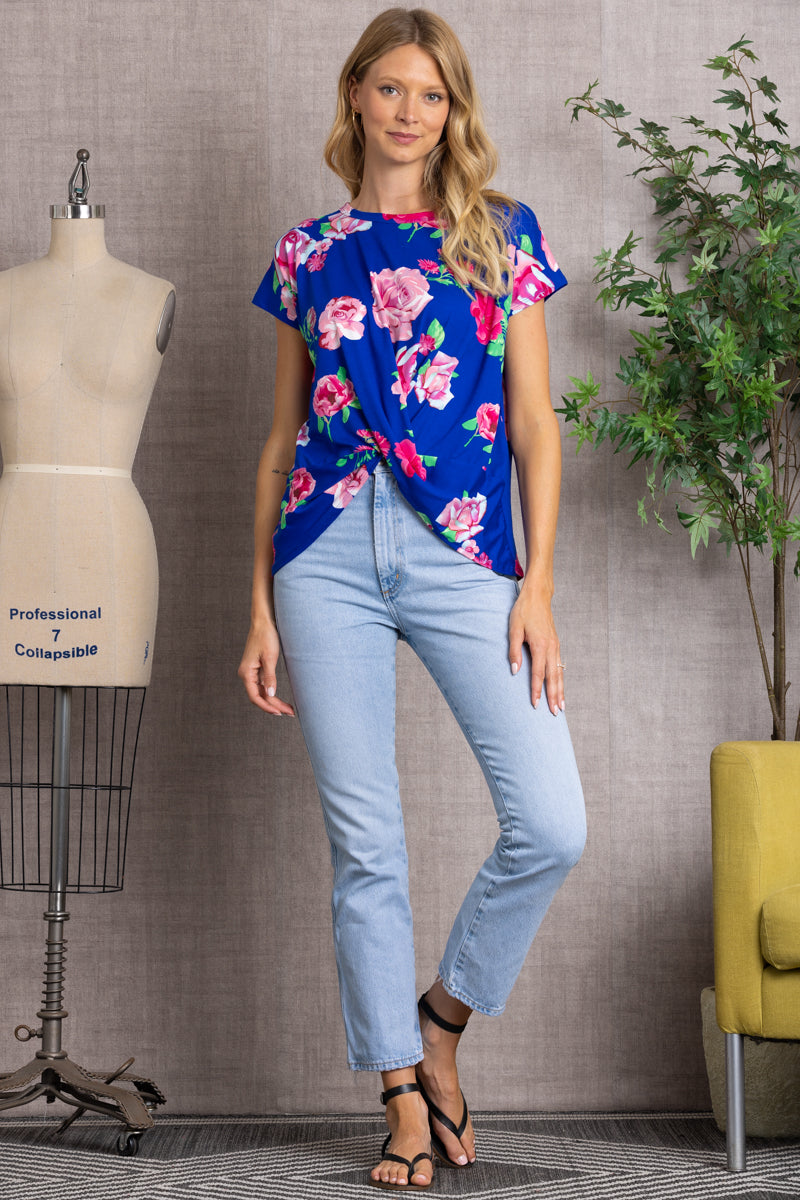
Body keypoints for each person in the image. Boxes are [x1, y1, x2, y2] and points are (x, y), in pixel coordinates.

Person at [239, 8, 586, 1190]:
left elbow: (534, 425)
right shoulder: (307, 251)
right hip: (324, 549)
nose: (408, 112)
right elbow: (280, 441)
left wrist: (537, 586)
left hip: (466, 551)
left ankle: (440, 1019)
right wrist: (256, 606)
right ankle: (397, 1093)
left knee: (551, 822)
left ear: (452, 112)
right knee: (366, 842)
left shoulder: (500, 234)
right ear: (355, 95)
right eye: (389, 88)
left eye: (430, 95)